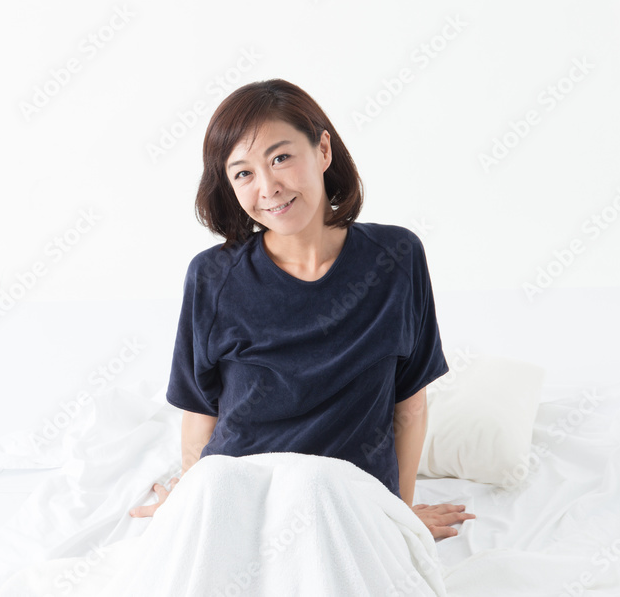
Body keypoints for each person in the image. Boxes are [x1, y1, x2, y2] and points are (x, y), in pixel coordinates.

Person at [128, 78, 475, 540]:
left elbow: (409, 407)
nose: (268, 187)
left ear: (323, 150)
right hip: (240, 501)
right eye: (243, 173)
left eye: (281, 158)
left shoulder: (396, 258)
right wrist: (192, 500)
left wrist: (400, 517)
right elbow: (200, 415)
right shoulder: (212, 276)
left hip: (350, 507)